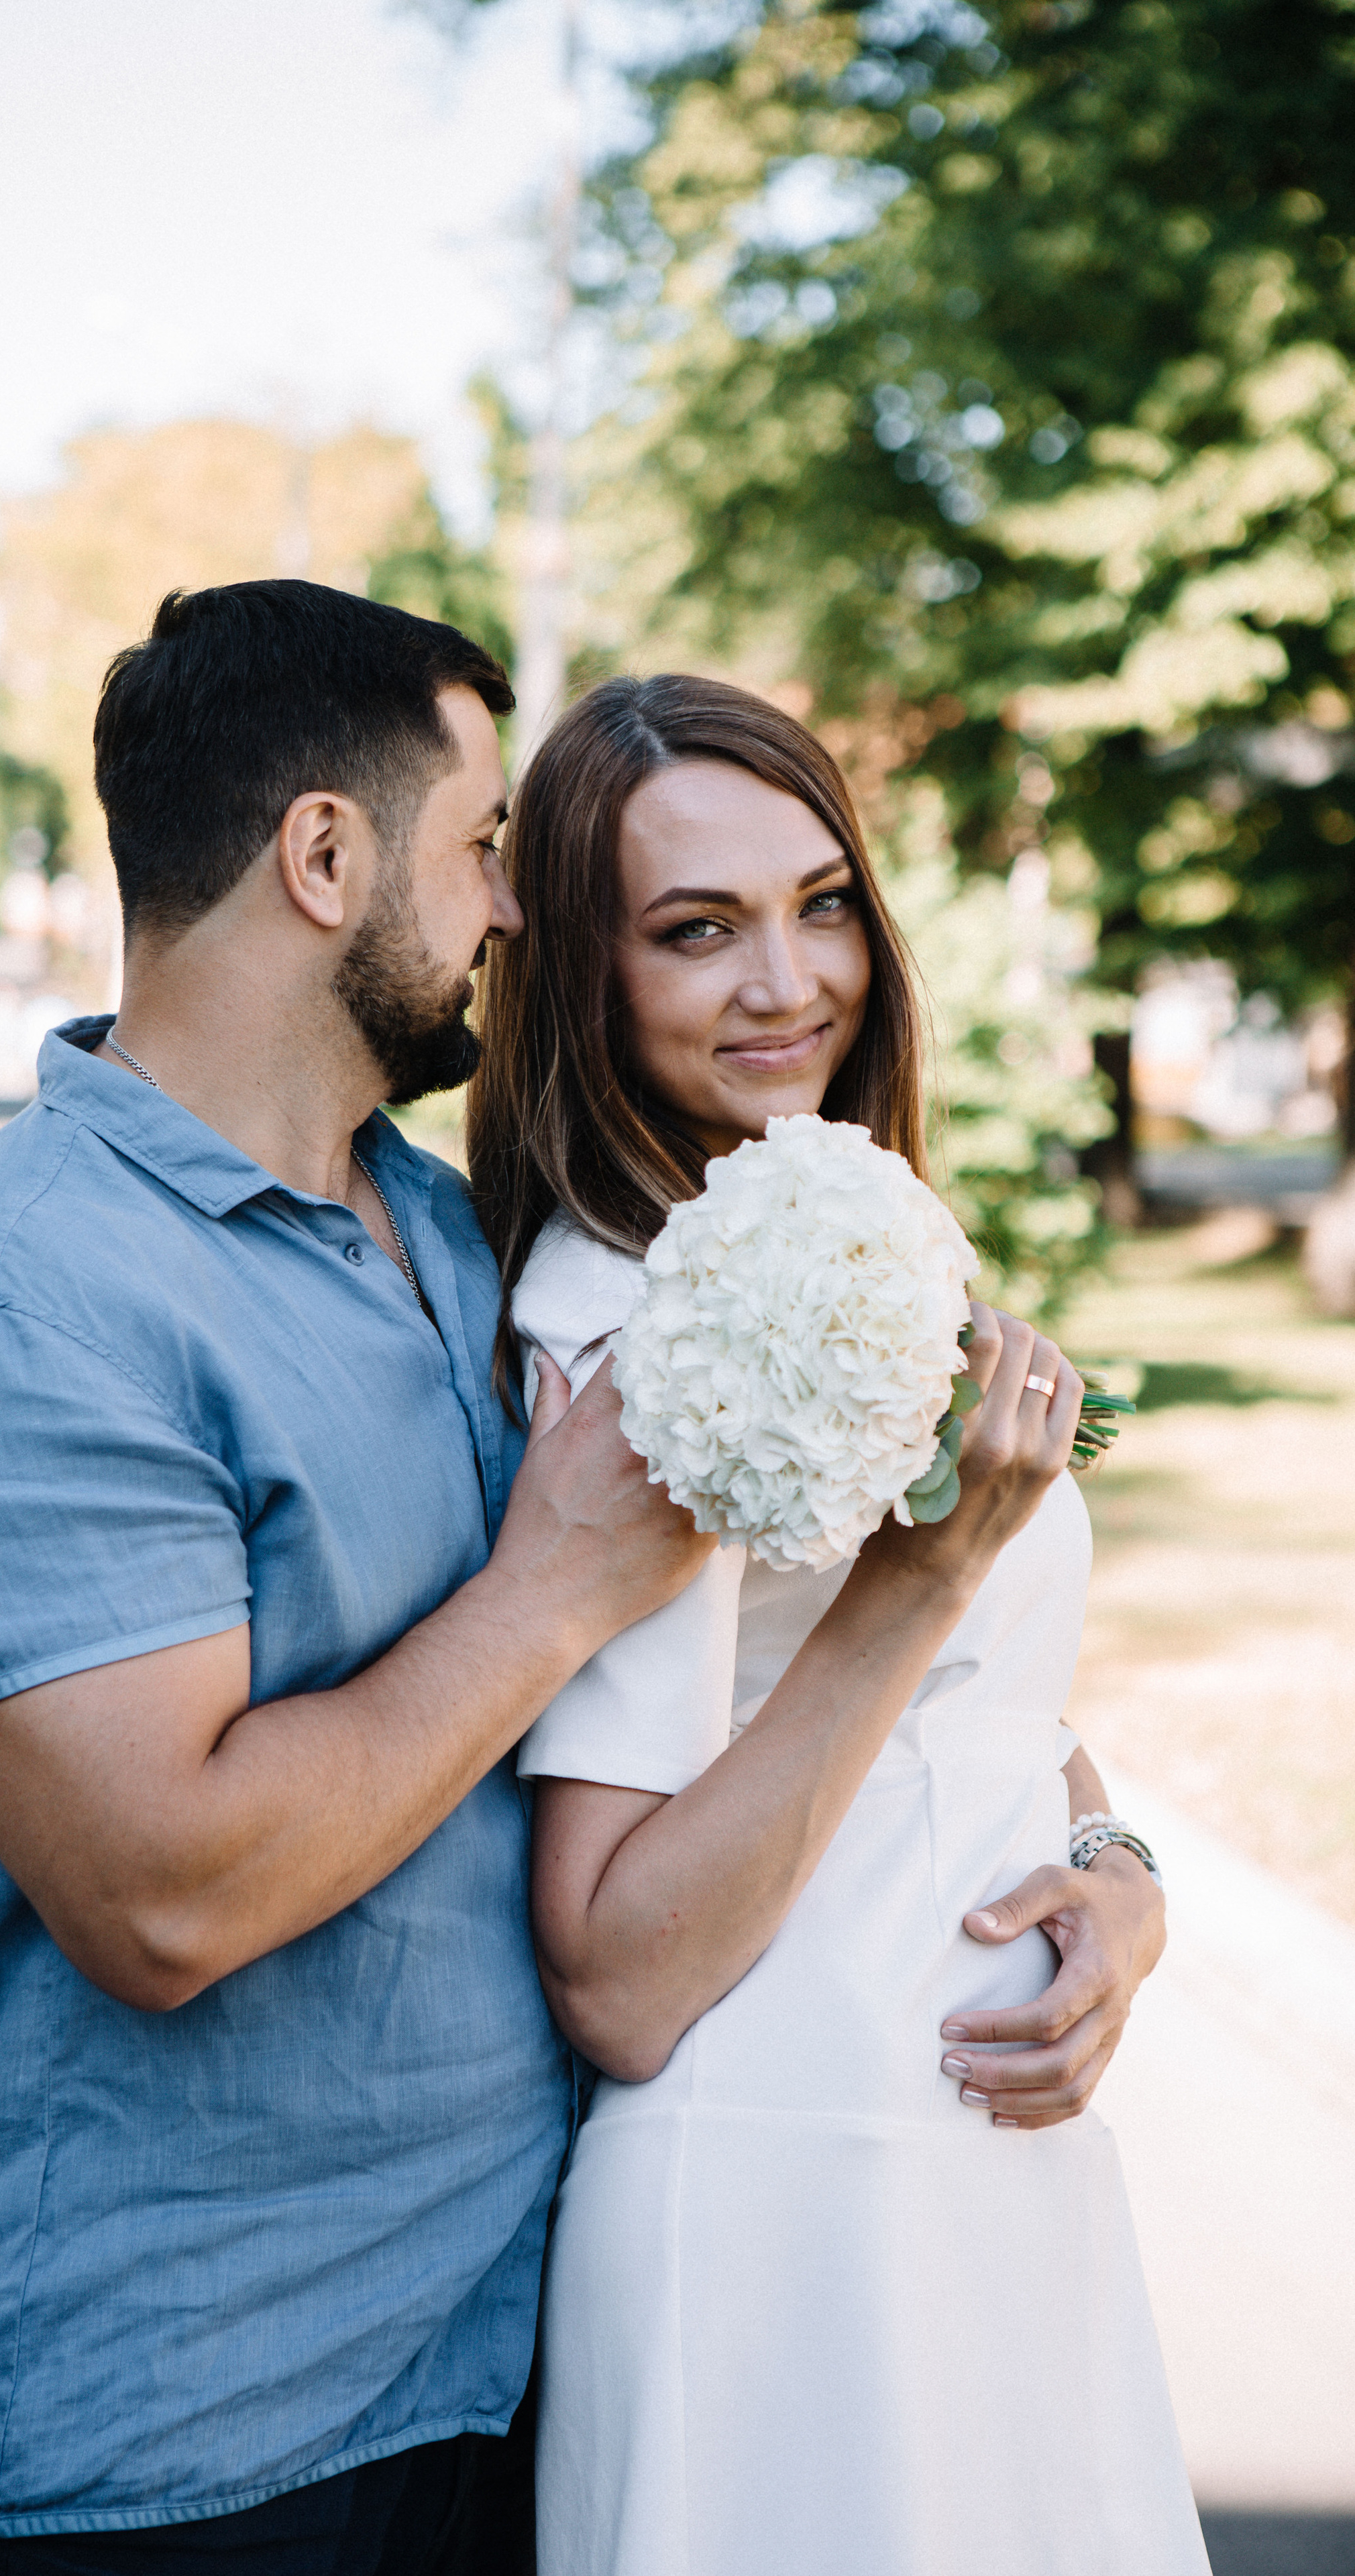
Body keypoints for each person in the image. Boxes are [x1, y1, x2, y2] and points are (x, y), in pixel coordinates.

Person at [0, 582, 717, 2576]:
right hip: (158, 2448)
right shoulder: (20, 1317)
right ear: (324, 856)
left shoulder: (446, 1237)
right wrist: (555, 1588)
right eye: (480, 846)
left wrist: (1091, 1841)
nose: (512, 908)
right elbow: (167, 1894)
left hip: (483, 2377)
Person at [465, 674, 1208, 2576]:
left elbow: (980, 1703)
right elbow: (616, 1972)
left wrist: (1119, 1883)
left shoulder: (830, 1235)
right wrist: (929, 1569)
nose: (788, 982)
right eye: (696, 930)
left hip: (975, 2182)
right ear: (583, 977)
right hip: (786, 2207)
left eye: (821, 907)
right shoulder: (636, 1344)